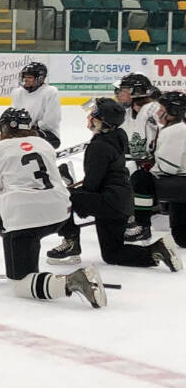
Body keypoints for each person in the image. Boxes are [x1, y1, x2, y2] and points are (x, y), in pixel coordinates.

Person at [0, 108, 109, 307]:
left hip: (26, 217)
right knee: (23, 234)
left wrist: (6, 223)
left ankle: (74, 281)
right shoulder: (43, 143)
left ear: (5, 128)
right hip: (61, 213)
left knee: (20, 284)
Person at [47, 97, 180, 271]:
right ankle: (157, 250)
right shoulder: (117, 136)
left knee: (64, 197)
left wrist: (79, 201)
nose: (88, 117)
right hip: (121, 202)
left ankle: (71, 242)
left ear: (102, 122)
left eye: (93, 115)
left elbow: (92, 184)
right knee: (113, 253)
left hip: (109, 201)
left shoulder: (99, 146)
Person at [115, 73, 162, 242]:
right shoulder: (128, 113)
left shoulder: (153, 109)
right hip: (142, 162)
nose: (119, 94)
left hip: (161, 164)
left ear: (136, 92)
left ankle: (142, 225)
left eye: (124, 90)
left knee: (139, 179)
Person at [152, 91, 186, 252]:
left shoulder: (176, 130)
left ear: (173, 111)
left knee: (139, 179)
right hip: (181, 183)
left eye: (161, 109)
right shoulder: (178, 128)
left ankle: (140, 223)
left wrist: (152, 168)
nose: (157, 112)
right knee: (182, 237)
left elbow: (168, 168)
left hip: (181, 183)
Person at [9, 61, 61, 148]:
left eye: (30, 77)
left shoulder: (50, 92)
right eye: (25, 77)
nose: (26, 79)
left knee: (25, 140)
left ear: (40, 78)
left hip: (47, 134)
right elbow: (13, 114)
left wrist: (31, 128)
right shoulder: (18, 92)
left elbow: (52, 121)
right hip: (22, 130)